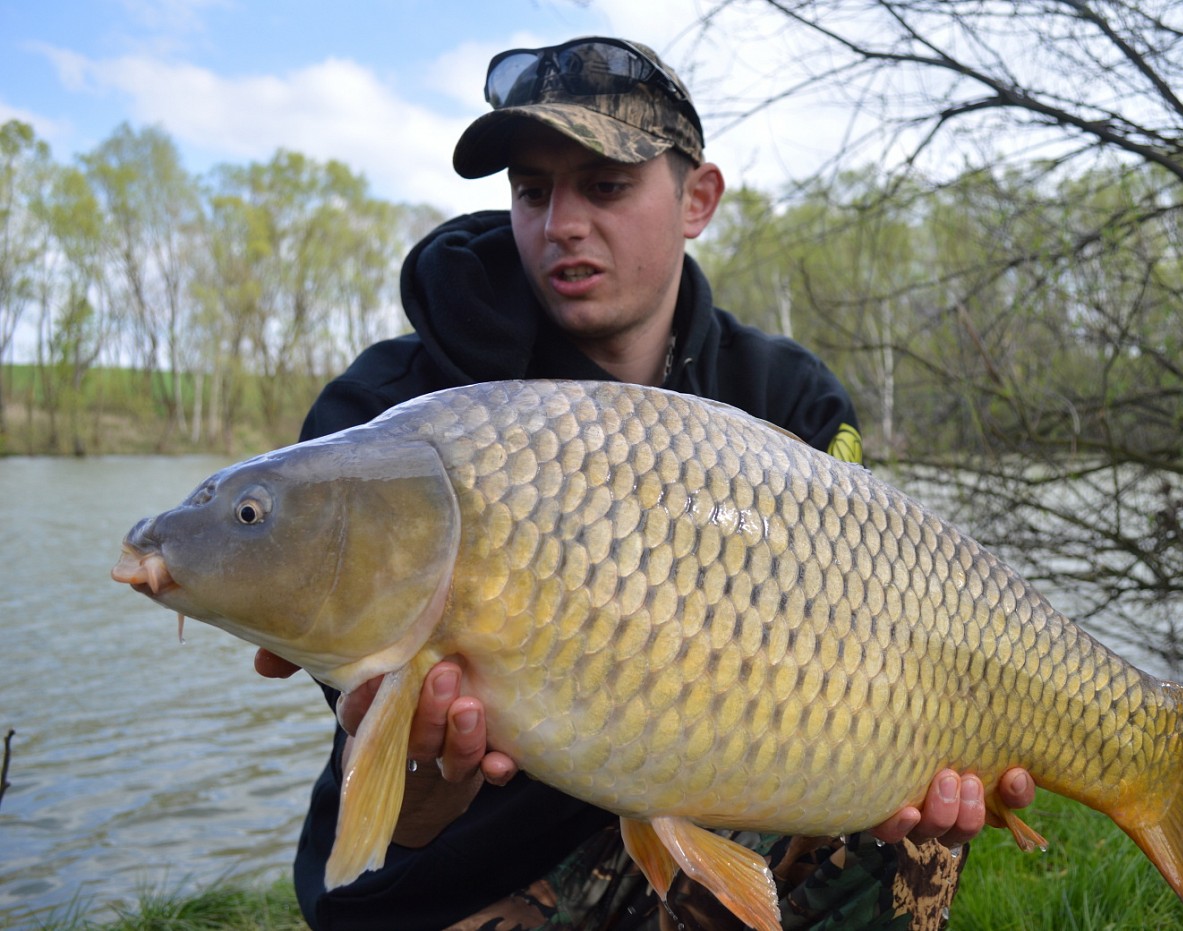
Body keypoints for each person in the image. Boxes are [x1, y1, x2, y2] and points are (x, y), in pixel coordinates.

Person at [254, 36, 1036, 931]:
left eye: (605, 186)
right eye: (532, 191)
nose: (561, 224)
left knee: (911, 816)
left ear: (697, 199)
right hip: (468, 866)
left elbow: (881, 628)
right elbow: (398, 785)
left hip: (710, 794)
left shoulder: (788, 397)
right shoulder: (385, 425)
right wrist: (418, 768)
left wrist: (906, 753)